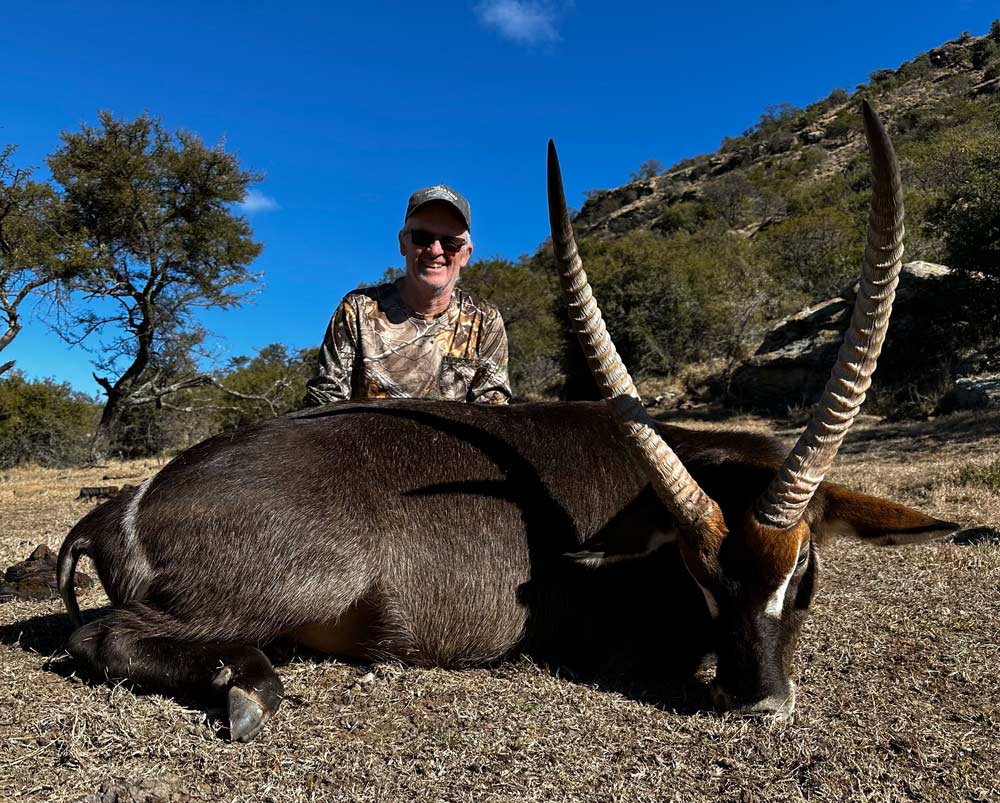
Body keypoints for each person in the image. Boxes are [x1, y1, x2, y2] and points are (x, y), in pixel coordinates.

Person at [303, 185, 512, 406]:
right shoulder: (356, 310)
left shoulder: (485, 320)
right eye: (422, 238)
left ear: (465, 254)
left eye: (450, 242)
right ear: (403, 243)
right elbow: (324, 403)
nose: (435, 251)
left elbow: (492, 412)